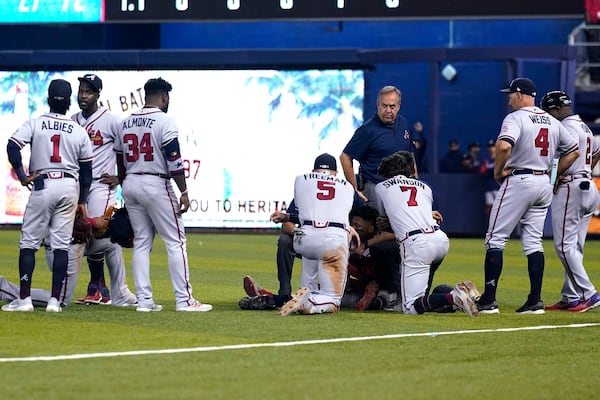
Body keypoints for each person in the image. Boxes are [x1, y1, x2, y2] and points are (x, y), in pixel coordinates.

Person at [476, 78, 580, 315]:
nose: (509, 98)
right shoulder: (552, 121)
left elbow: (503, 147)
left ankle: (489, 300)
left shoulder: (516, 117)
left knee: (495, 239)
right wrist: (553, 176)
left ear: (521, 94)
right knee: (533, 242)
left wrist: (498, 170)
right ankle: (535, 300)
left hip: (520, 180)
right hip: (543, 182)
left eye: (511, 94)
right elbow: (573, 152)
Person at [114, 77, 212, 312]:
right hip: (155, 183)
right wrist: (184, 191)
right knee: (175, 241)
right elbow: (174, 161)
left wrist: (124, 182)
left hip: (130, 183)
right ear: (164, 97)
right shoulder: (165, 121)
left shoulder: (125, 122)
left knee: (141, 242)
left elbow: (119, 160)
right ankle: (184, 300)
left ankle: (144, 301)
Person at [2, 79, 93, 313]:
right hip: (69, 186)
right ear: (70, 101)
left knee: (29, 243)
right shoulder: (79, 131)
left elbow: (12, 146)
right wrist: (82, 201)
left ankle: (24, 299)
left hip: (43, 182)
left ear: (48, 100)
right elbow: (86, 173)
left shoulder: (36, 123)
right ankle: (54, 301)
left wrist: (22, 175)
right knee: (61, 245)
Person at [373, 150, 480, 316]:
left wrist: (388, 220)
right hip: (440, 239)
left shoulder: (381, 187)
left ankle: (454, 297)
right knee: (420, 297)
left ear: (387, 174)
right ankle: (462, 293)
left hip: (417, 244)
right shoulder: (425, 186)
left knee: (410, 307)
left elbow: (382, 220)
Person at [66, 73, 137, 307]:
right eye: (81, 91)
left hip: (101, 183)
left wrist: (121, 176)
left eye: (89, 91)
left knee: (101, 231)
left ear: (98, 95)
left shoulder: (111, 121)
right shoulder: (72, 120)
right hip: (76, 184)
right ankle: (99, 288)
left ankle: (117, 290)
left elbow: (129, 148)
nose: (83, 95)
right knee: (85, 233)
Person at [271, 153, 358, 316]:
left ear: (313, 171)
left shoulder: (303, 182)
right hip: (334, 239)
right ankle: (313, 301)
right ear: (336, 173)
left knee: (309, 259)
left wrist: (295, 225)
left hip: (306, 239)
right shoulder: (346, 187)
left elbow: (300, 215)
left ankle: (304, 297)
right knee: (333, 298)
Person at [540, 90, 600, 312]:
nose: (549, 115)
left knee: (563, 246)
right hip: (588, 185)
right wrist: (584, 170)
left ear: (556, 109)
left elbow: (571, 153)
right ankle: (571, 296)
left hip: (572, 188)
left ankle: (589, 294)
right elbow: (597, 152)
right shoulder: (584, 126)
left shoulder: (565, 127)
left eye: (549, 111)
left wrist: (556, 177)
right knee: (574, 246)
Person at [340, 85, 417, 206]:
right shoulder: (367, 130)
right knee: (378, 225)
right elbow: (345, 157)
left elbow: (410, 156)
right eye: (384, 105)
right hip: (376, 190)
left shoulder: (403, 123)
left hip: (403, 191)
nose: (388, 110)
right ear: (378, 105)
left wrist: (416, 182)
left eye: (392, 106)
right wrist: (354, 190)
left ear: (398, 107)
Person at [479, 139, 500, 219]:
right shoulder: (486, 160)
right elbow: (482, 172)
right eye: (489, 147)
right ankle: (491, 227)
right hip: (488, 186)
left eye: (493, 146)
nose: (491, 149)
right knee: (489, 208)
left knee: (500, 208)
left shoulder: (500, 159)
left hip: (499, 187)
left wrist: (490, 171)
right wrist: (491, 171)